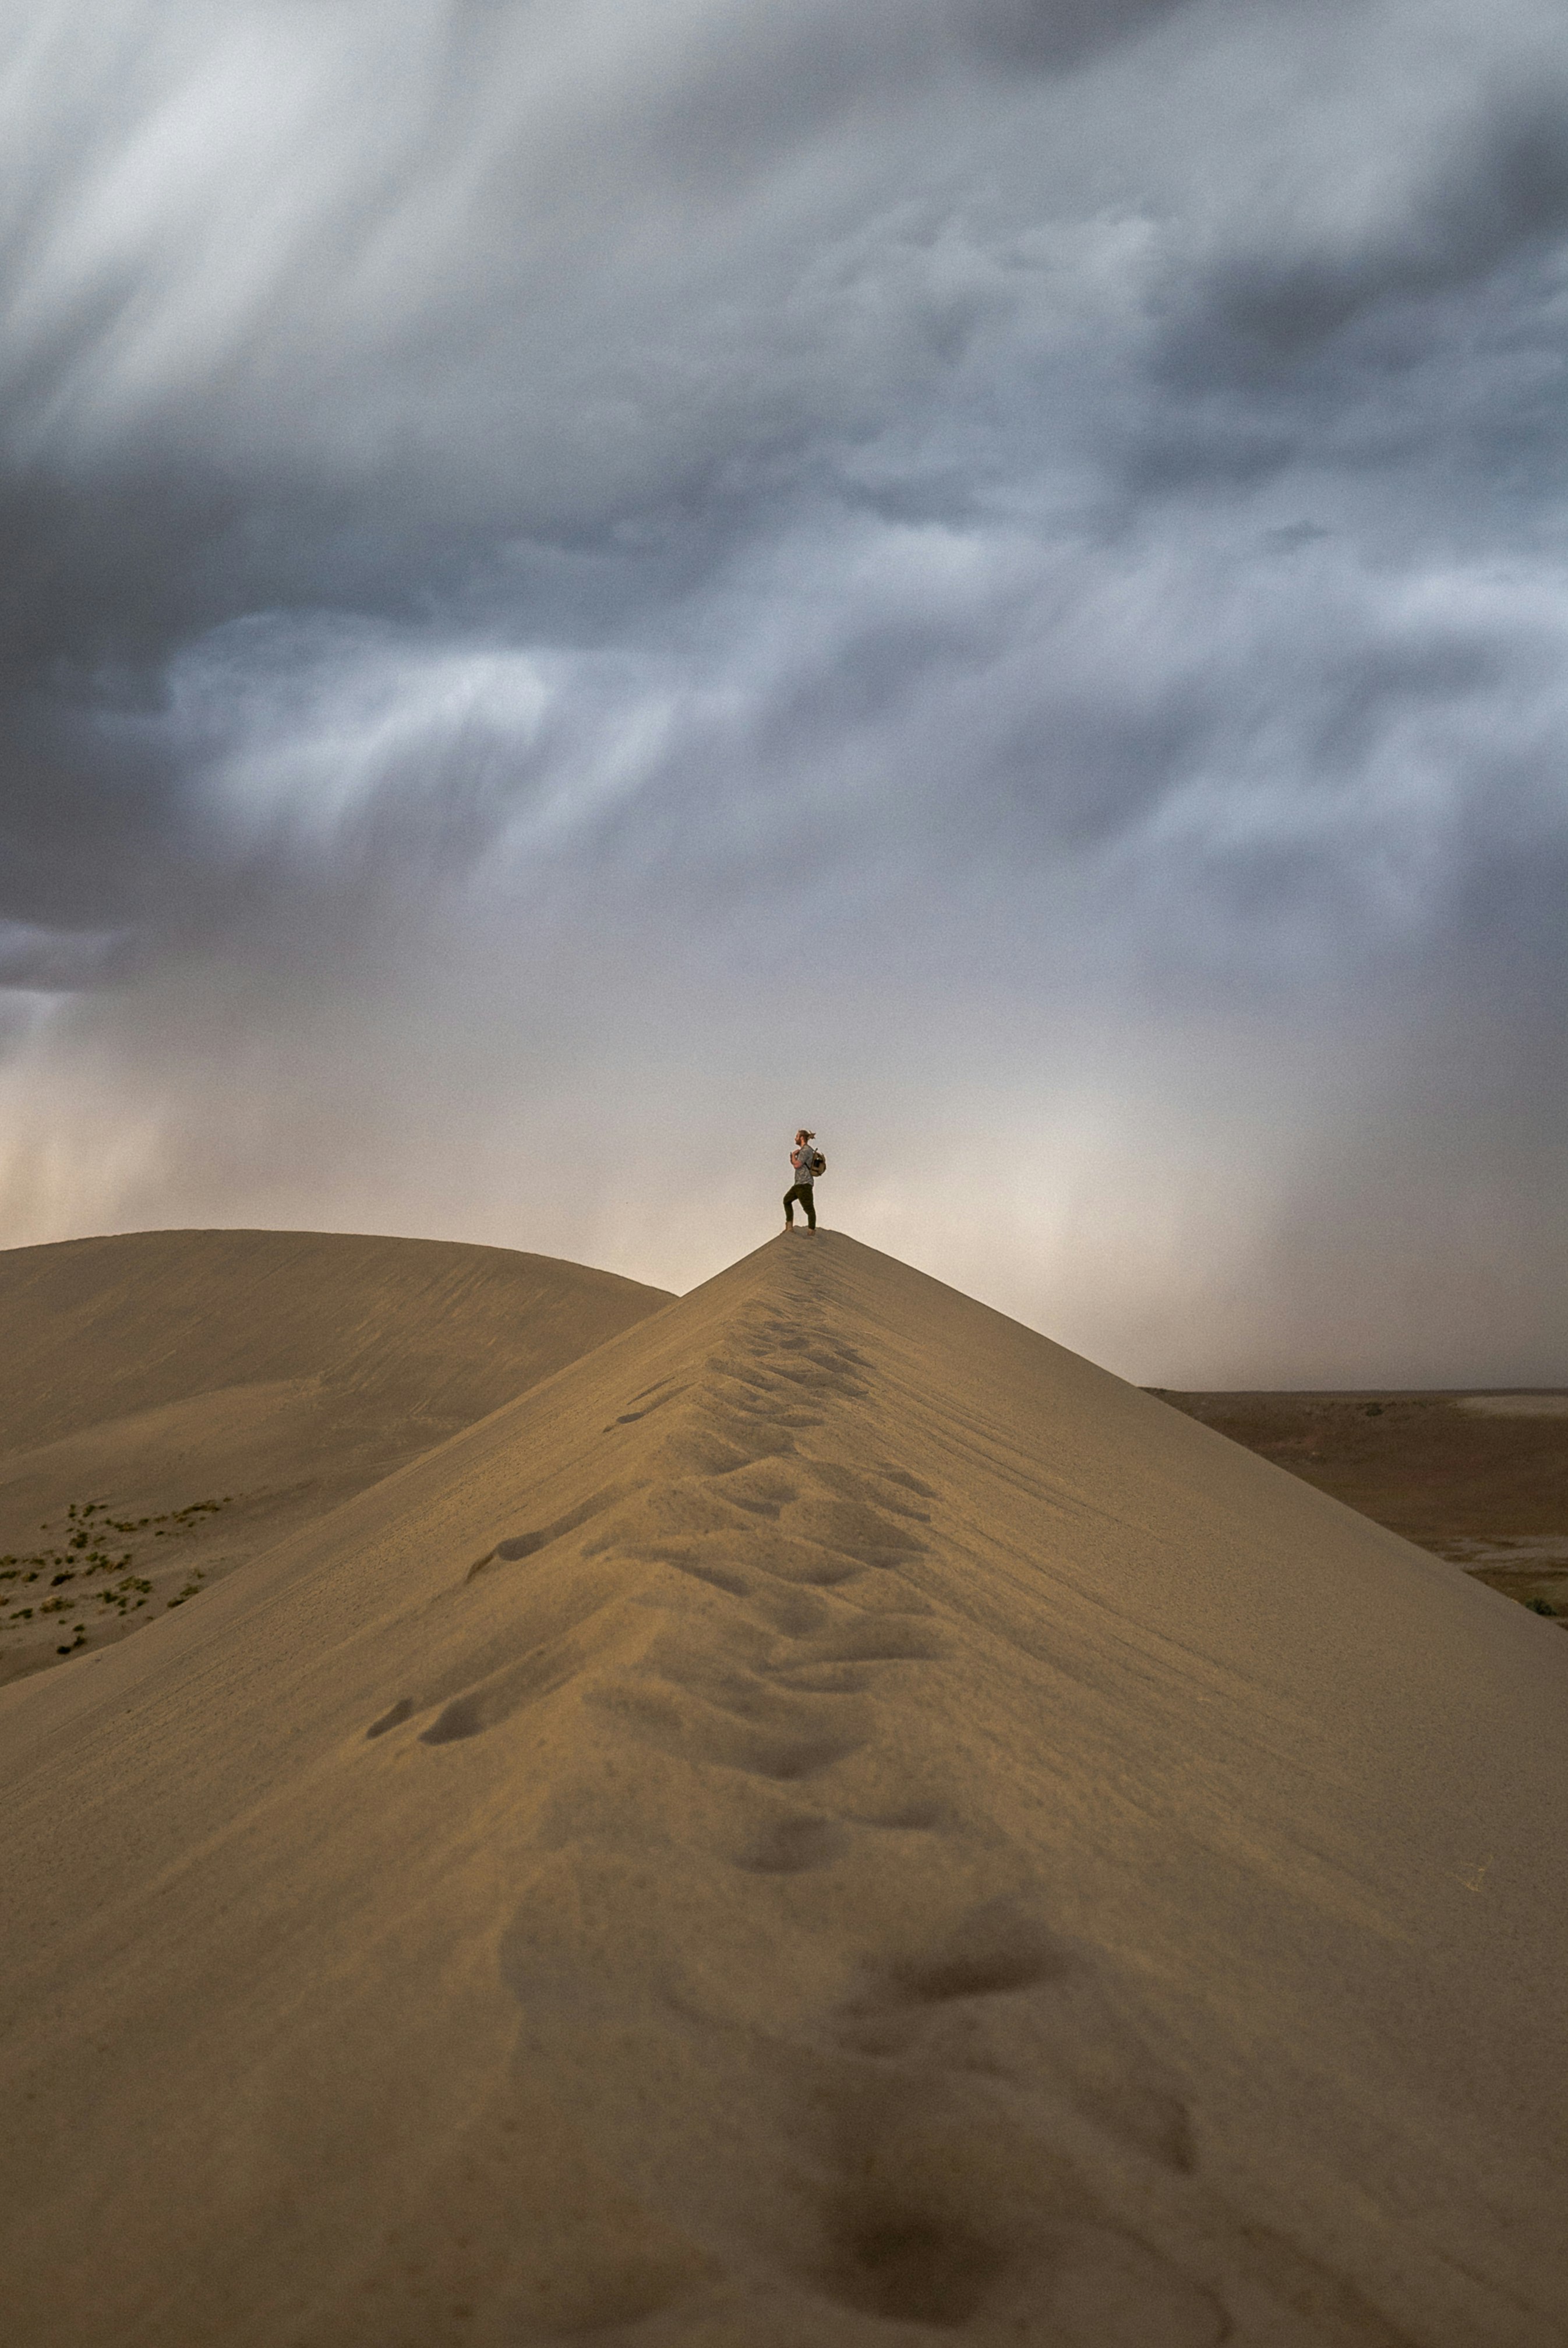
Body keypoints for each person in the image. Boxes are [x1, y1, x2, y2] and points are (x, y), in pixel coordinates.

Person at [783, 1129, 820, 1232]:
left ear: (802, 1138)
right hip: (799, 1184)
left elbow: (797, 1165)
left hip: (805, 1183)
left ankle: (811, 1230)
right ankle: (789, 1227)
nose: (795, 1138)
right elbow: (797, 1164)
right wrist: (794, 1158)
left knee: (809, 1208)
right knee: (787, 1200)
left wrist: (794, 1156)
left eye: (797, 1136)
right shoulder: (804, 1150)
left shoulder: (805, 1150)